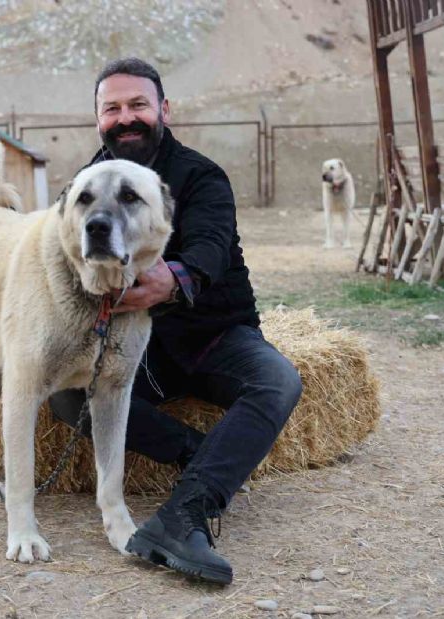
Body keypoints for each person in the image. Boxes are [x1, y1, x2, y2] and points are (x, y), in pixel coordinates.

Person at [49, 57, 303, 585]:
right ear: (97, 118)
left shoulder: (202, 175)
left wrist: (176, 277)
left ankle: (185, 512)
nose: (126, 118)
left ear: (163, 109)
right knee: (66, 395)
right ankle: (197, 454)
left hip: (213, 335)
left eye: (138, 104)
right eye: (112, 108)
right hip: (133, 347)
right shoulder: (85, 184)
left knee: (277, 380)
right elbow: (59, 254)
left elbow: (211, 246)